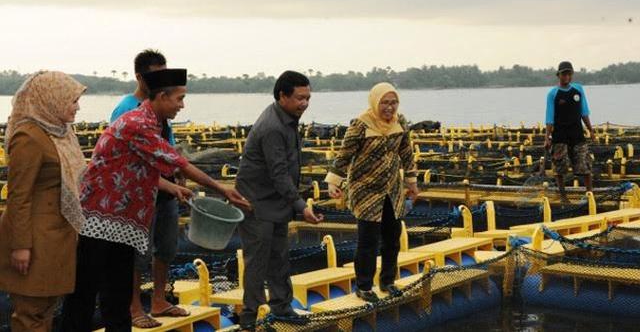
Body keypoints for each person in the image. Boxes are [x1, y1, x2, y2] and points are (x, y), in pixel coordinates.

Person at [61, 69, 251, 332]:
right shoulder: (137, 122)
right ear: (162, 96)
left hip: (123, 220)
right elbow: (178, 161)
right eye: (179, 99)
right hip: (98, 218)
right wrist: (222, 188)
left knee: (117, 294)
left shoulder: (153, 123)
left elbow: (139, 166)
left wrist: (172, 187)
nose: (182, 106)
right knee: (84, 291)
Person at [235, 70, 323, 331]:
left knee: (279, 256)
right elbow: (279, 173)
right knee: (257, 261)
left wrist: (293, 202)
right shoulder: (273, 126)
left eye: (308, 98)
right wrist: (301, 206)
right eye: (299, 98)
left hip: (276, 201)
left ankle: (282, 307)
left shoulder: (287, 117)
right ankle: (249, 319)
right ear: (282, 96)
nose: (305, 104)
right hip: (256, 202)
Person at [0, 71, 87, 332]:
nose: (77, 107)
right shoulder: (29, 137)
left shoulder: (60, 133)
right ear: (51, 99)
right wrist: (20, 246)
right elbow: (19, 196)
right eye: (72, 101)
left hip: (58, 236)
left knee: (47, 308)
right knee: (30, 312)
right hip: (35, 240)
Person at [110, 49, 186, 328]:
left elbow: (167, 146)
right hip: (138, 192)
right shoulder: (127, 109)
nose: (161, 80)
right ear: (140, 77)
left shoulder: (163, 105)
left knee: (166, 246)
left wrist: (177, 173)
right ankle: (134, 308)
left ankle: (158, 299)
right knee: (137, 251)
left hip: (165, 190)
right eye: (156, 75)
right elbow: (127, 160)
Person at [325, 82, 419, 303]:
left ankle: (388, 281)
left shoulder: (400, 122)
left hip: (392, 189)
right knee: (368, 240)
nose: (389, 107)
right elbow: (344, 155)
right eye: (385, 103)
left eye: (393, 102)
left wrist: (412, 182)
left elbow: (406, 153)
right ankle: (364, 286)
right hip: (365, 189)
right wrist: (333, 182)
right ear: (375, 102)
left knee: (392, 237)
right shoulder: (361, 124)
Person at [544, 61, 595, 200]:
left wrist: (591, 130)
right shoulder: (553, 94)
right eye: (563, 74)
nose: (566, 76)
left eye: (569, 73)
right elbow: (549, 118)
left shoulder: (578, 89)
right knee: (560, 167)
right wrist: (547, 137)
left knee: (585, 165)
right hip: (560, 135)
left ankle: (589, 194)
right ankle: (563, 196)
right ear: (558, 75)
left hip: (577, 133)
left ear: (571, 75)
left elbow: (584, 112)